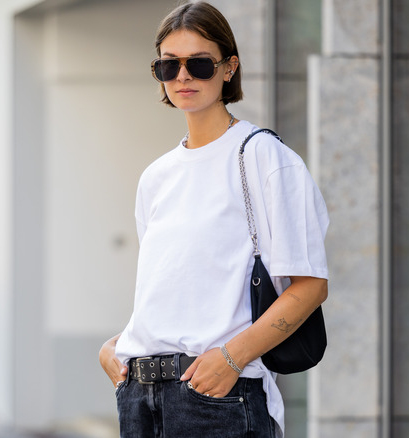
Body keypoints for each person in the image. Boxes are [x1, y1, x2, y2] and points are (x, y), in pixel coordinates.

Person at [98, 2, 329, 437]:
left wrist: (232, 358)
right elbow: (175, 286)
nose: (183, 77)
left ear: (229, 68)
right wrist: (117, 346)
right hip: (139, 395)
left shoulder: (263, 157)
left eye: (199, 63)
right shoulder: (156, 177)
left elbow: (311, 285)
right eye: (168, 66)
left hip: (217, 397)